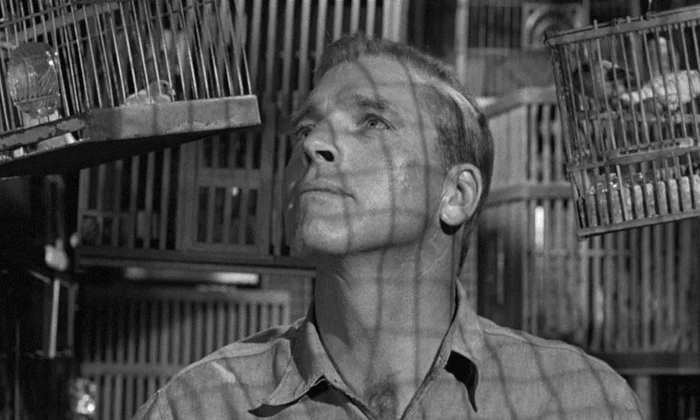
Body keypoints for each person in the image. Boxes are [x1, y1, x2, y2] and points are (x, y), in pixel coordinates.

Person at [133, 34, 644, 420]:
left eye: (372, 122)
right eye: (305, 128)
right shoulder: (199, 405)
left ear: (456, 195)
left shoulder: (580, 400)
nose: (313, 145)